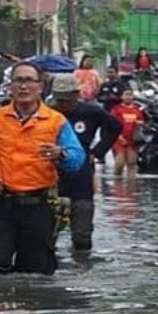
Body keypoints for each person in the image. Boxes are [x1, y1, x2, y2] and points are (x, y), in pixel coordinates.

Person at [0, 61, 86, 275]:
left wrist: (61, 153)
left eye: (29, 81)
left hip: (38, 205)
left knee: (36, 271)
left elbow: (78, 159)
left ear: (40, 87)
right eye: (18, 81)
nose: (23, 87)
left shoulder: (56, 121)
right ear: (10, 87)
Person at [49, 74, 122, 251]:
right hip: (50, 175)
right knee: (47, 234)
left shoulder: (91, 112)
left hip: (80, 175)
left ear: (76, 94)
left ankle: (82, 267)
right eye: (60, 100)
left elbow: (115, 127)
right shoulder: (46, 113)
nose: (64, 105)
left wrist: (97, 152)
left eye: (67, 100)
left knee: (82, 235)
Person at [110, 87, 146, 177]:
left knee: (131, 163)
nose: (128, 97)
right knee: (120, 163)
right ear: (122, 97)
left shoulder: (137, 110)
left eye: (130, 94)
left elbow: (142, 121)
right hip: (119, 138)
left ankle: (131, 185)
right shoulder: (116, 109)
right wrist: (118, 136)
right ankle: (117, 182)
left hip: (132, 139)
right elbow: (112, 123)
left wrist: (139, 123)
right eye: (126, 94)